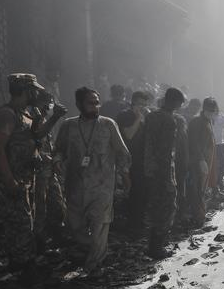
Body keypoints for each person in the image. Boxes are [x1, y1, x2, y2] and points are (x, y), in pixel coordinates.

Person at [54, 87, 130, 277]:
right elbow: (59, 149)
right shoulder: (68, 126)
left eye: (97, 102)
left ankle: (94, 265)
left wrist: (126, 176)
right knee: (75, 226)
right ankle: (93, 249)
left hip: (103, 186)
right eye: (90, 102)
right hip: (75, 186)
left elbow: (122, 152)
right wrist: (56, 161)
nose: (96, 106)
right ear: (79, 104)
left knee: (100, 225)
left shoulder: (108, 124)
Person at [0, 74, 44, 281]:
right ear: (25, 91)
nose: (37, 93)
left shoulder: (25, 114)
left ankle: (22, 263)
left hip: (26, 177)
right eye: (34, 90)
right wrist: (9, 180)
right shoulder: (6, 114)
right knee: (18, 222)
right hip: (13, 179)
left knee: (25, 220)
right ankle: (23, 267)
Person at [143, 87, 188, 259]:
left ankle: (153, 246)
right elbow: (166, 151)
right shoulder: (170, 120)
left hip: (151, 170)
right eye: (180, 103)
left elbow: (148, 145)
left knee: (156, 208)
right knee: (168, 208)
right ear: (175, 102)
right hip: (163, 171)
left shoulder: (152, 116)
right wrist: (169, 177)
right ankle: (157, 248)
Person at [31, 90, 68, 249]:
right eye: (44, 103)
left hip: (49, 171)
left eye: (49, 104)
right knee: (40, 207)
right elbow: (35, 140)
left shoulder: (44, 119)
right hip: (38, 172)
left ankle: (57, 235)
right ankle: (39, 240)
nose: (47, 107)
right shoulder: (31, 119)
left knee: (58, 204)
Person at [116, 90, 153, 233]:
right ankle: (133, 224)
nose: (143, 107)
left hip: (143, 159)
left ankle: (139, 222)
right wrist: (138, 118)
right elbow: (129, 135)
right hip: (128, 159)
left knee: (143, 191)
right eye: (140, 104)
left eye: (145, 104)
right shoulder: (125, 115)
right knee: (132, 191)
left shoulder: (147, 116)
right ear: (133, 103)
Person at [187, 98, 215, 226]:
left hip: (207, 160)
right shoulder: (196, 122)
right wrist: (201, 160)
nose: (211, 113)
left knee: (201, 189)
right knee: (196, 188)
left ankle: (200, 215)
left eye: (213, 111)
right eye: (209, 110)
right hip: (198, 161)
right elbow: (194, 143)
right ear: (204, 109)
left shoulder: (208, 121)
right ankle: (197, 217)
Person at [205, 98, 224, 190]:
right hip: (208, 145)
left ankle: (219, 181)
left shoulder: (221, 118)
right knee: (211, 165)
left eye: (214, 107)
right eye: (210, 107)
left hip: (219, 145)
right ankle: (211, 184)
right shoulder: (204, 118)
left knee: (223, 164)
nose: (213, 109)